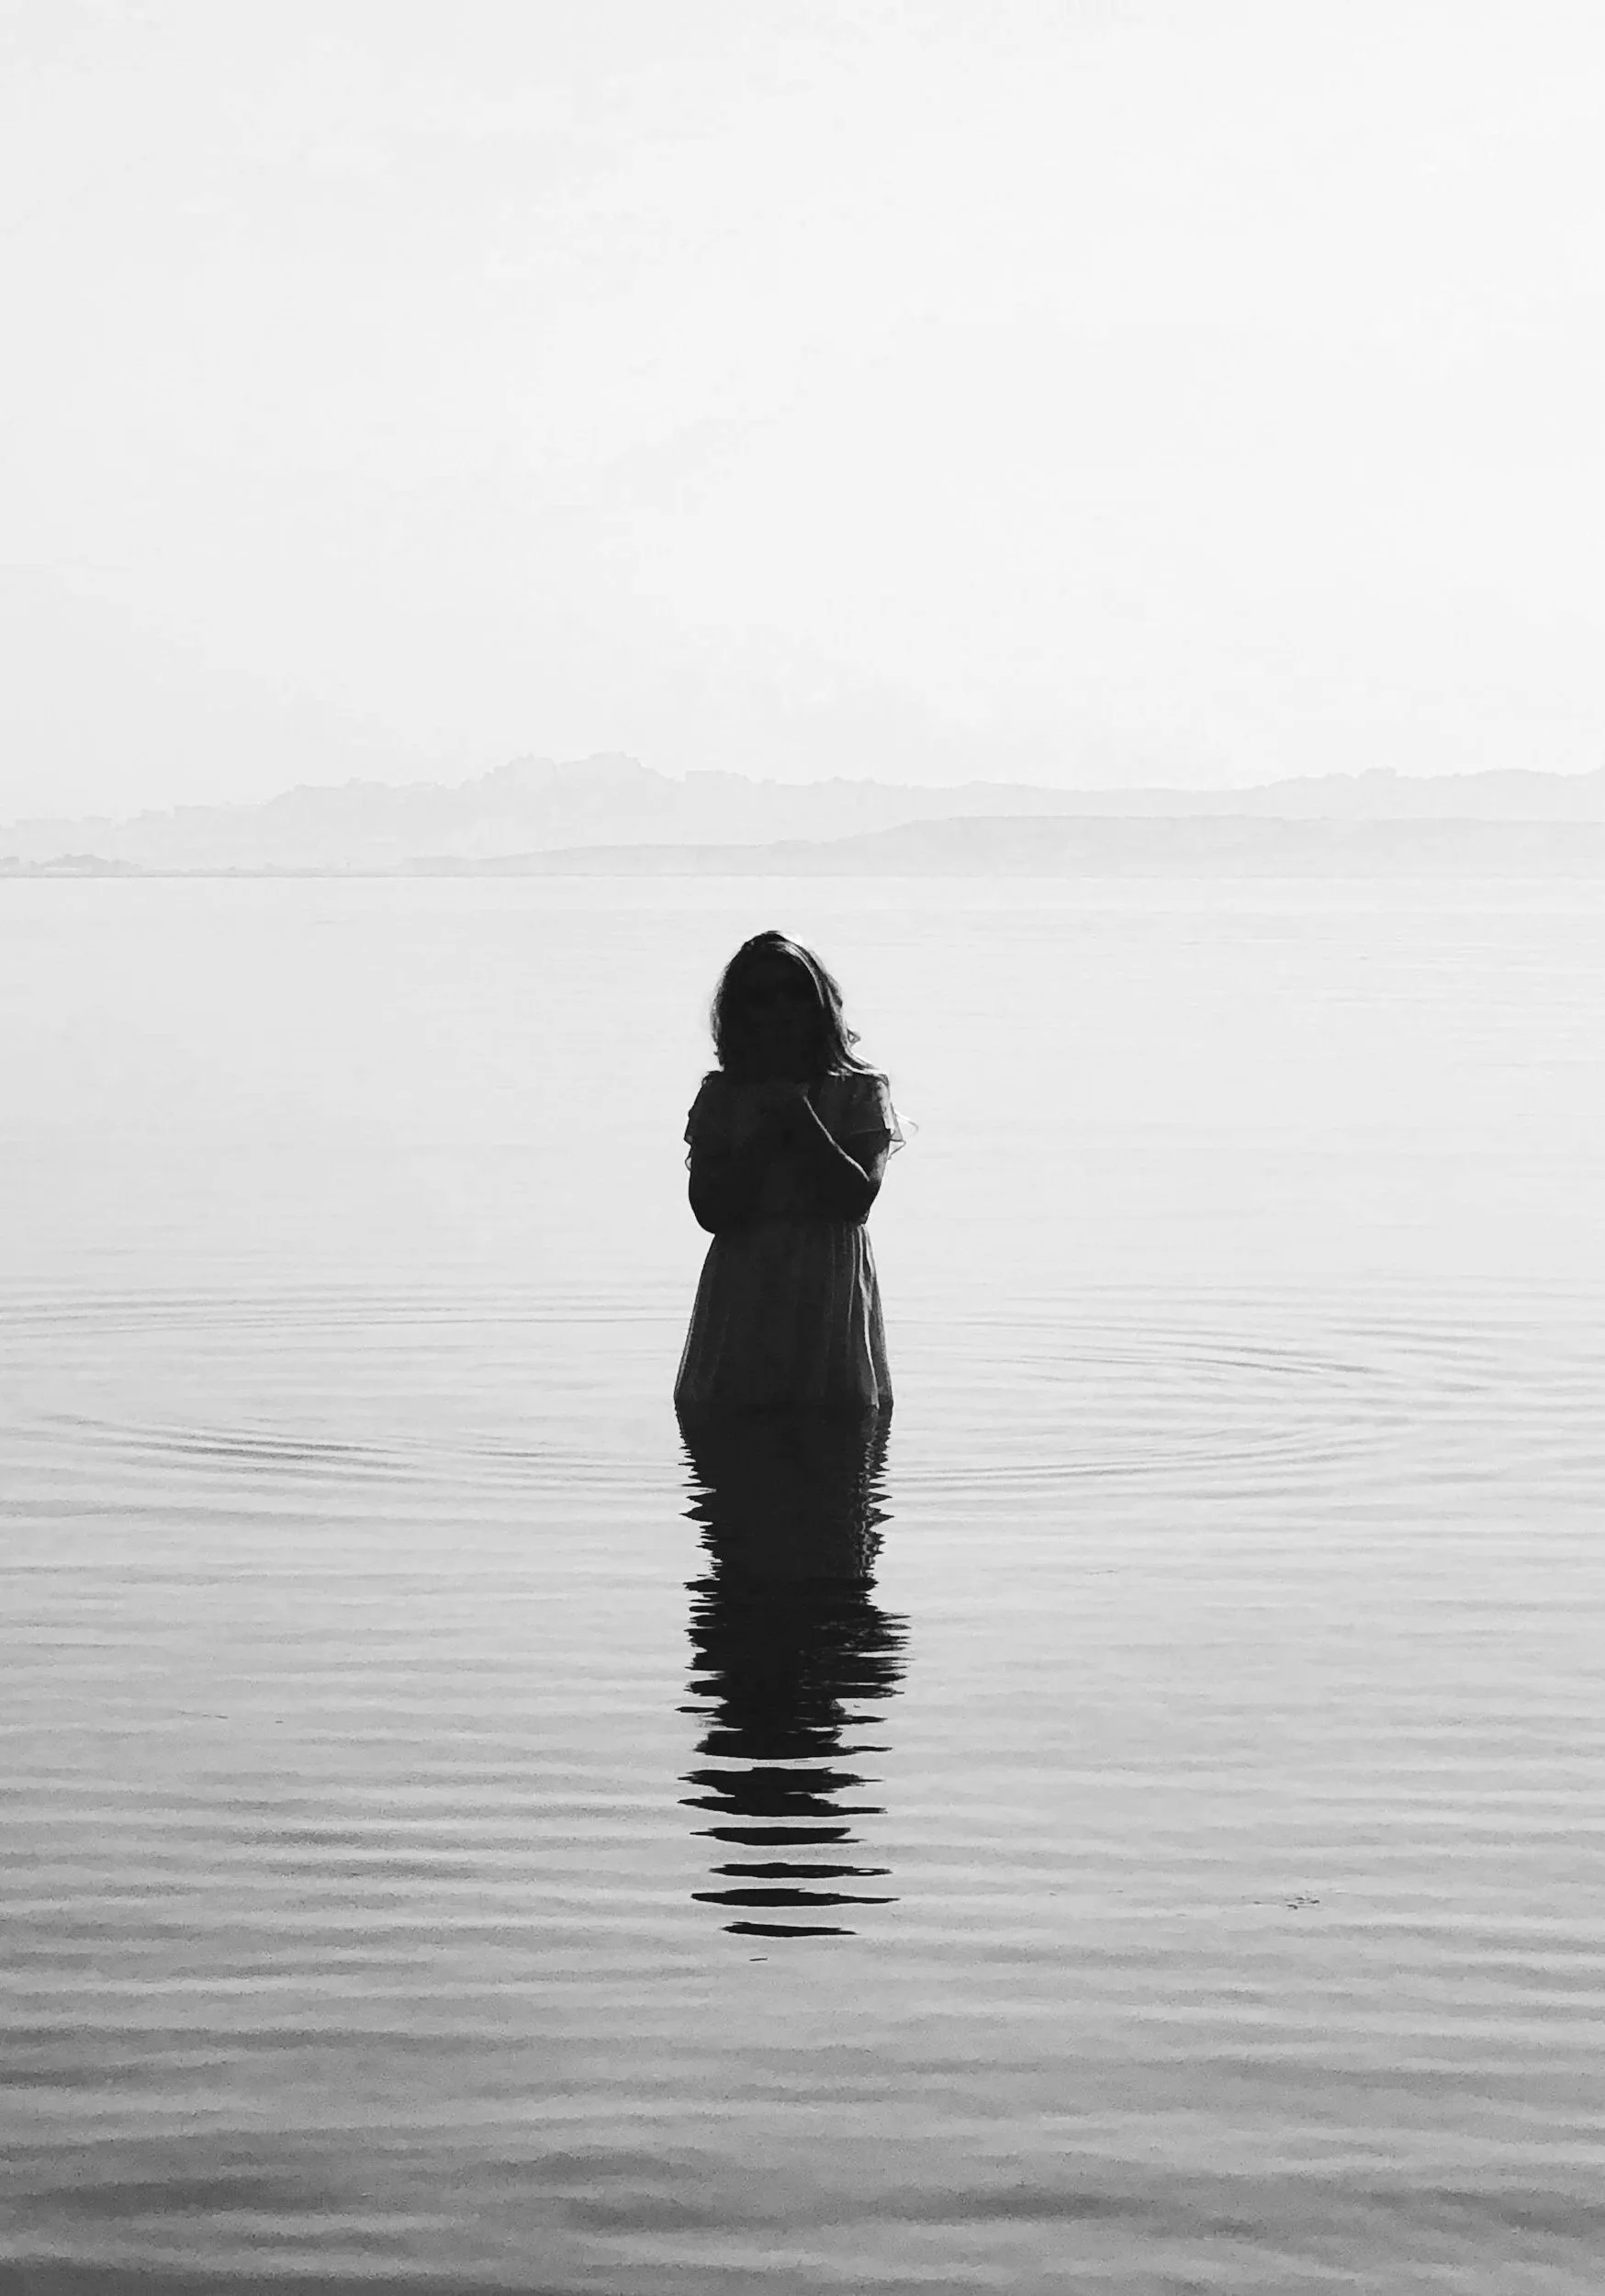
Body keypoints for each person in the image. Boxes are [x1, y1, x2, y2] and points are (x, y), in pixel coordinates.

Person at [674, 931, 902, 1413]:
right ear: (741, 1012)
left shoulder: (862, 1092)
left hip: (828, 1280)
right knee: (734, 1438)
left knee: (834, 1435)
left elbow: (855, 1199)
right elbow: (710, 1210)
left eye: (794, 992)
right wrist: (764, 1132)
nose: (780, 1009)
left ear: (819, 1001)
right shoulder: (722, 1097)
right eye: (761, 997)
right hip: (745, 1281)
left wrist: (799, 1119)